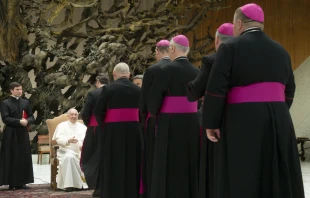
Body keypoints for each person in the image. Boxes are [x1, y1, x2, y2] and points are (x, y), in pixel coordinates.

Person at [202, 3, 304, 198]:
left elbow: (216, 89)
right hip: (278, 119)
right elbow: (290, 88)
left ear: (239, 24)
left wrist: (211, 123)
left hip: (241, 119)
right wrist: (278, 111)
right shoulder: (281, 50)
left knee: (244, 172)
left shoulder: (229, 48)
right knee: (274, 171)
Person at [147, 35, 200, 198]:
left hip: (169, 122)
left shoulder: (165, 70)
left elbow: (153, 99)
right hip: (192, 123)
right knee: (189, 160)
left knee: (168, 163)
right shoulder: (197, 70)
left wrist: (155, 115)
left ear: (172, 49)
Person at [186, 23, 234, 198]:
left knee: (214, 166)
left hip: (215, 120)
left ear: (216, 40)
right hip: (240, 119)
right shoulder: (246, 57)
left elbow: (195, 91)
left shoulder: (211, 60)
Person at [94, 63, 142, 198]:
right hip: (134, 130)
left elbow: (98, 111)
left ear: (114, 75)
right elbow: (143, 112)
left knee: (113, 162)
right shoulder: (138, 90)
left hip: (113, 132)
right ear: (129, 74)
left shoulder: (108, 89)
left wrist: (105, 126)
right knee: (133, 161)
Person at [140, 39, 171, 196]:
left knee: (153, 157)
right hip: (180, 121)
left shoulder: (152, 70)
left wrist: (144, 118)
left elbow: (145, 99)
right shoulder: (180, 67)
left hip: (155, 121)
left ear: (157, 52)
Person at [0, 82, 34, 190]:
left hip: (23, 133)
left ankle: (22, 182)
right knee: (12, 157)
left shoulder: (25, 102)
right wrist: (19, 121)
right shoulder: (5, 103)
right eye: (17, 89)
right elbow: (5, 118)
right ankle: (12, 183)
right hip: (11, 133)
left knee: (23, 156)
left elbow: (32, 117)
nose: (20, 91)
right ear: (11, 90)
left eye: (21, 89)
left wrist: (27, 121)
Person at [81, 75, 109, 197]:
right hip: (110, 129)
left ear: (98, 82)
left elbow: (86, 113)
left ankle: (97, 187)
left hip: (95, 129)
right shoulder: (113, 91)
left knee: (94, 158)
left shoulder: (93, 93)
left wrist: (89, 124)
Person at [52, 108, 88, 192]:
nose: (73, 116)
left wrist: (85, 147)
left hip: (80, 152)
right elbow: (57, 140)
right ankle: (69, 185)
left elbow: (88, 140)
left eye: (75, 114)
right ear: (68, 116)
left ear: (78, 116)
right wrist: (68, 140)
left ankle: (80, 184)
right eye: (72, 114)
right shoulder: (61, 126)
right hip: (65, 151)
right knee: (70, 157)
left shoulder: (83, 127)